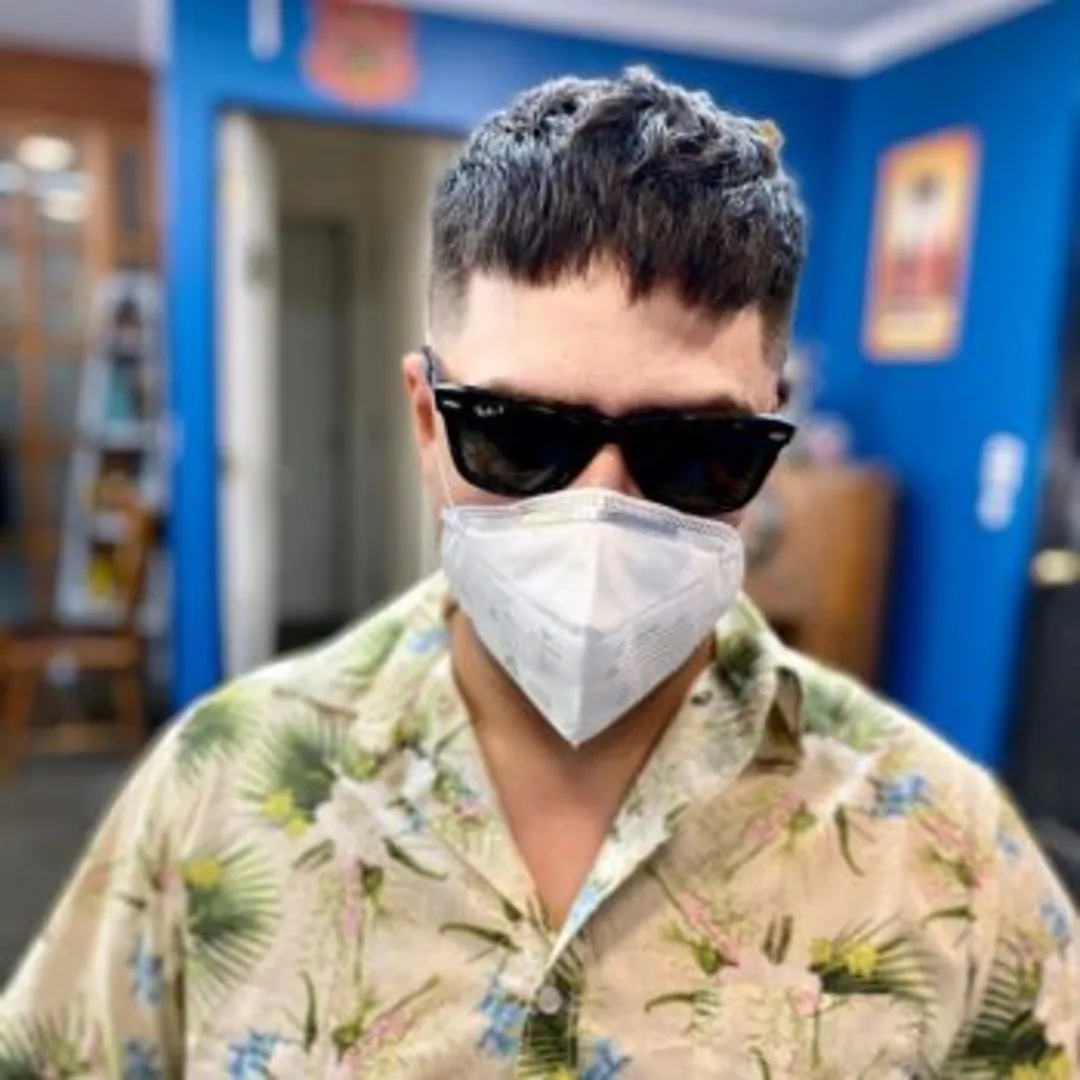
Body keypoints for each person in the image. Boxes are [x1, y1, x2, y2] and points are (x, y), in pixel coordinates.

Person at [2, 68, 1077, 1079]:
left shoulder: (947, 852)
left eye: (694, 453)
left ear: (767, 442)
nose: (600, 514)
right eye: (519, 437)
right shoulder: (216, 785)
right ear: (428, 421)